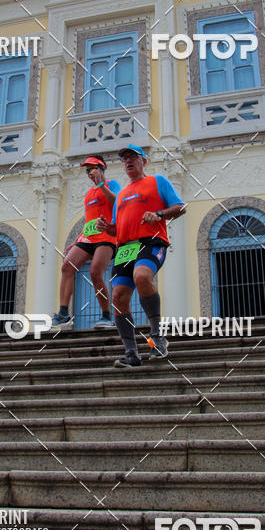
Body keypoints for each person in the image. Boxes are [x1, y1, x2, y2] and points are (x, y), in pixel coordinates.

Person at [96, 144, 185, 367]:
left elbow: (181, 207)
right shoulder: (121, 195)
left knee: (142, 276)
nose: (128, 161)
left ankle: (157, 337)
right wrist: (106, 227)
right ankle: (131, 354)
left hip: (152, 241)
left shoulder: (158, 181)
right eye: (124, 158)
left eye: (133, 157)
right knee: (118, 297)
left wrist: (158, 214)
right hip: (125, 248)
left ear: (143, 160)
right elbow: (116, 229)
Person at [52, 155, 120, 329]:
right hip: (88, 237)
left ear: (102, 168)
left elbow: (117, 204)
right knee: (67, 266)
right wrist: (77, 240)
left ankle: (106, 316)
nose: (90, 172)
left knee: (95, 271)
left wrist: (101, 185)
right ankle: (64, 314)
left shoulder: (112, 185)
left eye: (93, 169)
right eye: (87, 170)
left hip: (106, 235)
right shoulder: (89, 193)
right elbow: (89, 219)